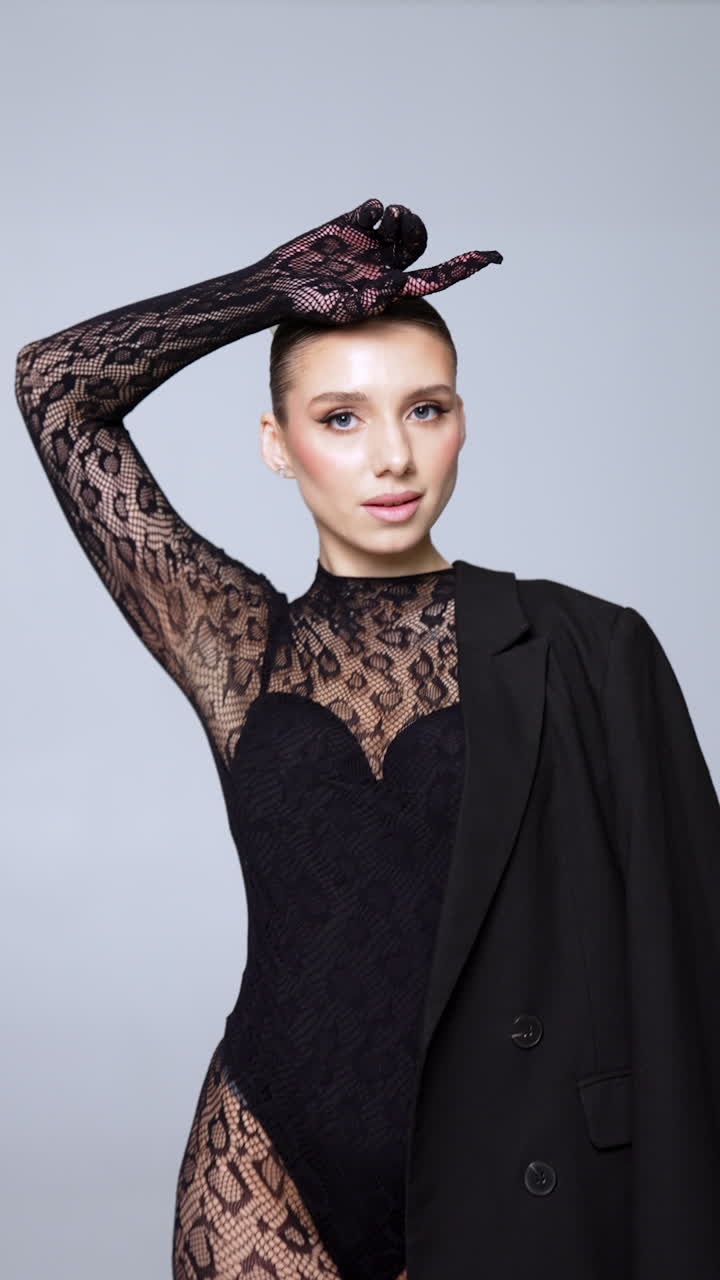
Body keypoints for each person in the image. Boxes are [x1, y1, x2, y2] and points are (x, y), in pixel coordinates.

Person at [14, 197, 502, 1280]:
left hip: (491, 1155)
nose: (389, 454)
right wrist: (269, 288)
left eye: (422, 408)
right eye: (340, 417)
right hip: (262, 1148)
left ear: (461, 420)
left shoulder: (543, 649)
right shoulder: (239, 642)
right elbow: (55, 383)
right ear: (278, 446)